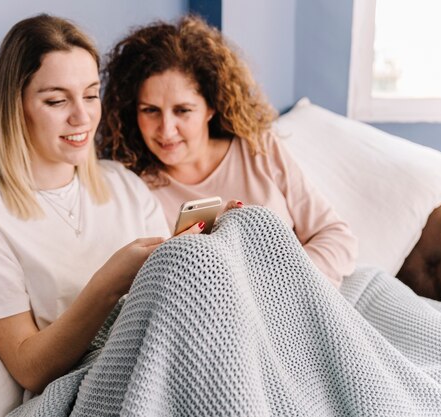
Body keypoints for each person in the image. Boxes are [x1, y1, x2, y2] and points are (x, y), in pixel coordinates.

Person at [0, 14, 208, 395]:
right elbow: (29, 368)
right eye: (56, 100)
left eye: (90, 94)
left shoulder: (124, 184)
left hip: (173, 365)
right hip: (92, 390)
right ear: (17, 106)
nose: (82, 116)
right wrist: (108, 284)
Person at [98, 15, 358, 288]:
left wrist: (278, 289)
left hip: (326, 292)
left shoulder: (258, 148)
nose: (166, 129)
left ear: (210, 107)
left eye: (183, 111)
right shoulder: (135, 187)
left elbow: (335, 235)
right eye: (150, 110)